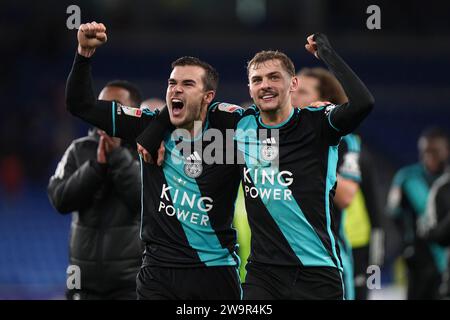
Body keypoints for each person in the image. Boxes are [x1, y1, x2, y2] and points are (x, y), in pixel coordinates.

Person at [138, 33, 374, 299]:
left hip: (317, 272)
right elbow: (190, 105)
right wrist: (156, 129)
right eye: (257, 80)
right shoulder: (241, 124)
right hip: (263, 275)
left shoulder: (319, 123)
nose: (265, 85)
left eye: (274, 77)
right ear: (249, 88)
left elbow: (364, 103)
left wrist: (328, 55)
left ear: (292, 83)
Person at [65, 21, 243, 300]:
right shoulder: (147, 126)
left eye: (187, 83)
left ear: (208, 96)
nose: (176, 89)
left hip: (214, 272)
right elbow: (81, 105)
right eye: (172, 83)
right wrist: (84, 54)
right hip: (158, 273)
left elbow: (267, 124)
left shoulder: (232, 135)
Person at [48, 80, 144, 300]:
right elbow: (59, 199)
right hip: (80, 279)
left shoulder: (145, 151)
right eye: (101, 105)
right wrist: (96, 168)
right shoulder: (78, 149)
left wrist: (118, 156)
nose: (105, 112)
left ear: (134, 112)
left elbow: (145, 202)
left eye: (116, 106)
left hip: (130, 283)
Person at [291, 67, 362, 300]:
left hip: (328, 255)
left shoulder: (345, 139)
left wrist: (306, 155)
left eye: (302, 91)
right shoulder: (274, 136)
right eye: (292, 89)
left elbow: (346, 196)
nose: (293, 96)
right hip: (281, 257)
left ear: (324, 100)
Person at [387, 127, 450, 299]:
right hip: (418, 259)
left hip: (445, 258)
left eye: (435, 151)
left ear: (447, 151)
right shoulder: (407, 177)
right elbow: (394, 213)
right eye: (425, 151)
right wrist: (407, 244)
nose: (429, 156)